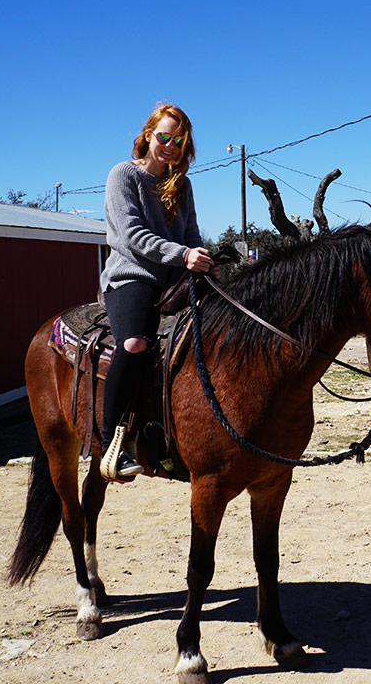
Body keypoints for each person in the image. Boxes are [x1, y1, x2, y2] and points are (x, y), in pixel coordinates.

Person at [98, 102, 214, 481]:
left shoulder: (182, 185)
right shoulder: (123, 175)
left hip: (175, 278)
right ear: (148, 135)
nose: (170, 145)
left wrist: (203, 259)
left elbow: (192, 233)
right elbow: (132, 236)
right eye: (164, 136)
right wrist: (183, 255)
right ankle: (110, 443)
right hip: (132, 275)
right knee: (134, 344)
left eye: (178, 141)